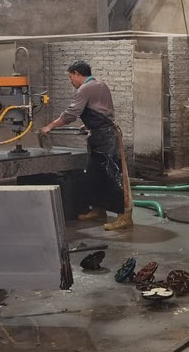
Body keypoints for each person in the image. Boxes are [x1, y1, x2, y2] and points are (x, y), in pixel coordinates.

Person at [40, 60, 132, 231]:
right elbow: (102, 111)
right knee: (96, 174)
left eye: (70, 77)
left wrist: (50, 126)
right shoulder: (101, 85)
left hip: (105, 138)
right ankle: (99, 210)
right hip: (101, 132)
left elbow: (71, 114)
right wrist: (89, 124)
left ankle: (125, 217)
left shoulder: (84, 89)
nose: (70, 81)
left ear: (77, 73)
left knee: (113, 176)